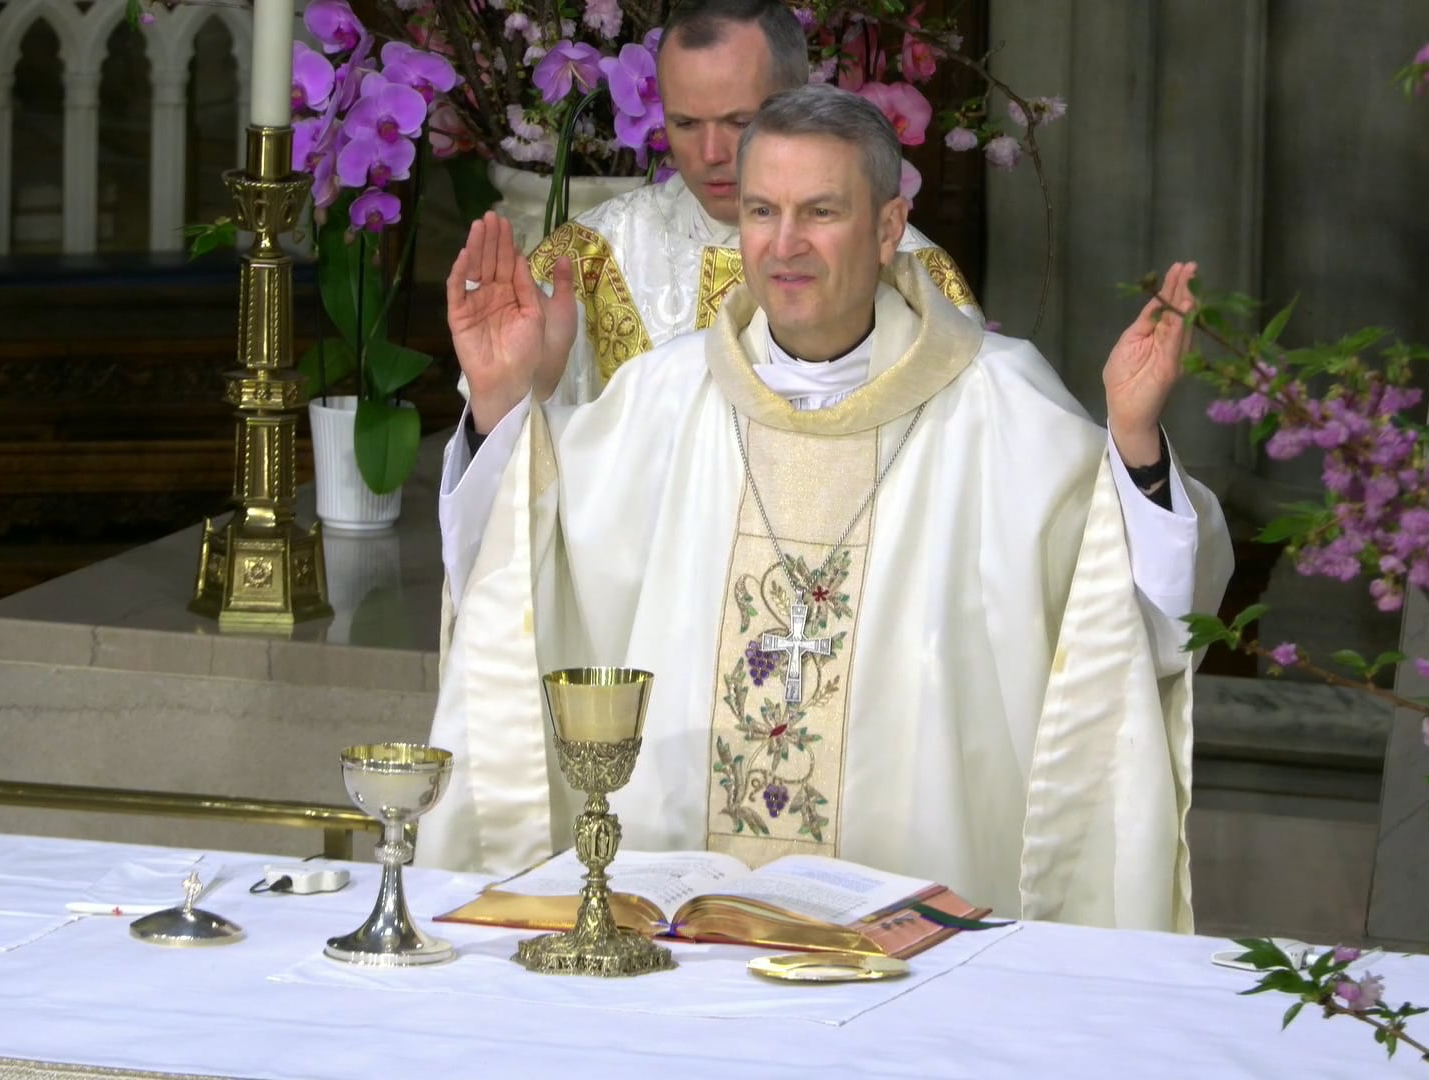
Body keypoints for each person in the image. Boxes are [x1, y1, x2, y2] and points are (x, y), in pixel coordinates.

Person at [419, 85, 1234, 932]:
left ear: (888, 228)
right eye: (763, 211)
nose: (785, 245)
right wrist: (499, 407)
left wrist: (1134, 444)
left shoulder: (997, 401)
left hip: (913, 946)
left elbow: (1134, 617)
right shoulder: (663, 399)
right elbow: (518, 565)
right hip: (680, 940)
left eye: (820, 211)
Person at [467, 0, 982, 408]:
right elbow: (517, 487)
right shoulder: (587, 260)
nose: (712, 154)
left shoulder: (909, 273)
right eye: (685, 124)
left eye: (740, 122)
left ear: (799, 96)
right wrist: (527, 391)